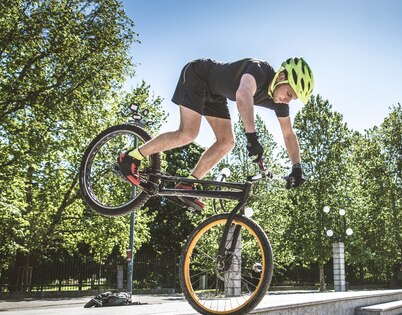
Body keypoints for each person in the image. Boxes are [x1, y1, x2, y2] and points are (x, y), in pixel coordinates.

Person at [117, 57, 314, 211]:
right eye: (289, 94)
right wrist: (252, 137)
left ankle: (187, 185)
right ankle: (131, 157)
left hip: (215, 94)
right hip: (198, 74)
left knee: (227, 142)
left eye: (293, 99)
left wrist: (297, 167)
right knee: (188, 133)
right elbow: (243, 94)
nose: (288, 100)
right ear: (281, 77)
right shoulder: (259, 70)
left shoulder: (279, 103)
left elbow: (288, 134)